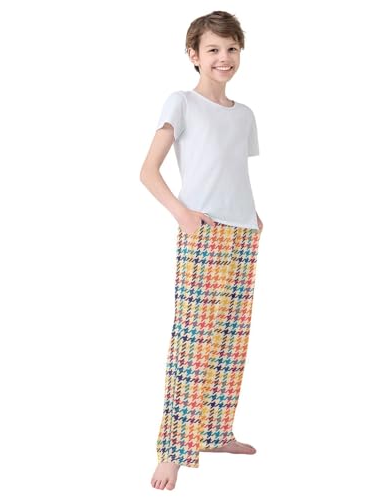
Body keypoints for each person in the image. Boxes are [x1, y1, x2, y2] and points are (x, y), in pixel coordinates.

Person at [139, 10, 263, 491]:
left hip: (243, 232)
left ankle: (215, 432)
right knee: (193, 341)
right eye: (213, 49)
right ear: (194, 55)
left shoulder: (244, 114)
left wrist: (253, 215)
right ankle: (173, 451)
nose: (223, 58)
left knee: (230, 338)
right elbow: (148, 171)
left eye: (231, 49)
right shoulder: (182, 102)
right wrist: (184, 215)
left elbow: (230, 169)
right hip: (204, 232)